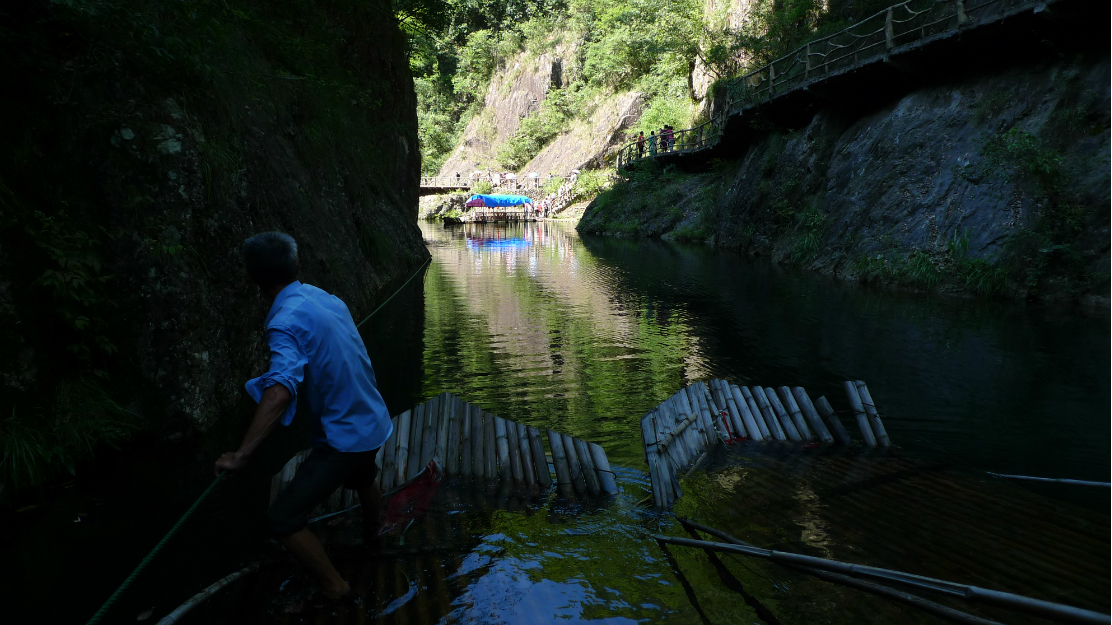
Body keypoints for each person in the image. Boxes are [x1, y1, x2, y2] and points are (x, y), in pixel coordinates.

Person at [214, 232, 393, 601]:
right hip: (373, 420)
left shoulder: (283, 321)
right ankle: (377, 532)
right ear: (297, 266)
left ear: (255, 279)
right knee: (362, 475)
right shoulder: (325, 297)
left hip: (345, 436)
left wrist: (241, 455)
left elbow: (280, 390)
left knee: (282, 519)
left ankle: (336, 587)